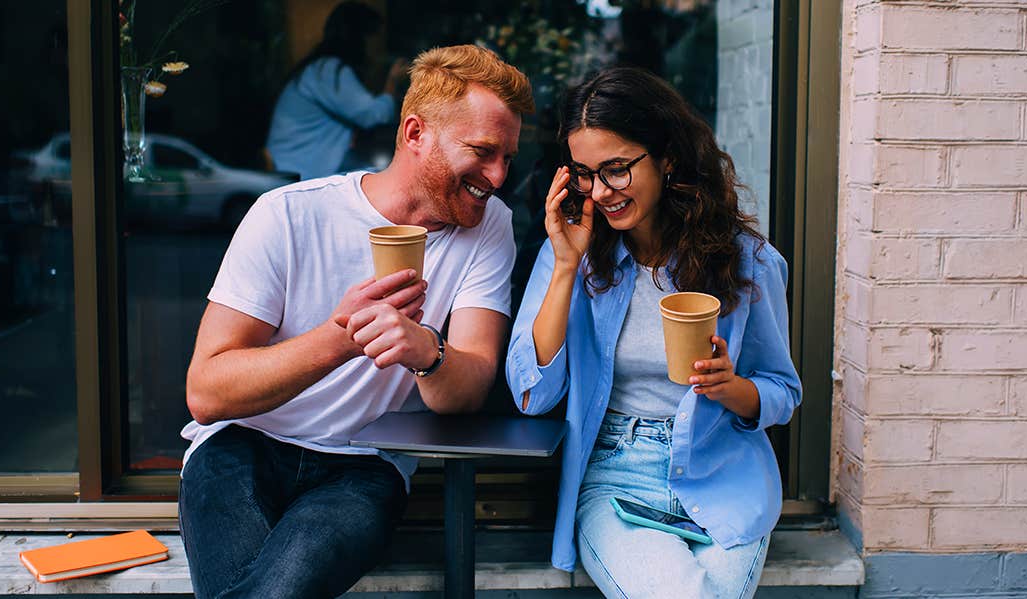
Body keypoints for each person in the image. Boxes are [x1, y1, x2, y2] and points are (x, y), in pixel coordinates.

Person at [180, 44, 533, 598]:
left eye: (507, 158)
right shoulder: (288, 213)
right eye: (483, 152)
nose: (497, 176)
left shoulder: (488, 228)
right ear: (415, 134)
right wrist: (339, 337)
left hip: (363, 465)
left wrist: (428, 352)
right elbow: (206, 393)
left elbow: (467, 389)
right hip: (241, 445)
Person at [506, 67, 802, 598]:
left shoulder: (749, 262)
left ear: (666, 158)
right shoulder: (571, 253)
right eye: (584, 173)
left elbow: (782, 392)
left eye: (616, 169)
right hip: (618, 476)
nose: (600, 191)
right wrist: (566, 266)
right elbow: (532, 393)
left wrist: (730, 387)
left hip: (725, 475)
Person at [265, 2, 406, 180]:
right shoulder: (328, 71)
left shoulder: (321, 68)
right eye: (376, 37)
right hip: (300, 169)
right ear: (360, 38)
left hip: (300, 163)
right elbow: (372, 115)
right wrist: (392, 83)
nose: (378, 48)